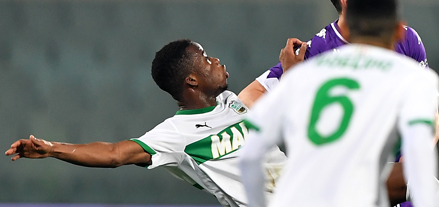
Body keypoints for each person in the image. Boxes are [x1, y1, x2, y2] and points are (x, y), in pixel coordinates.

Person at [6, 40, 284, 207]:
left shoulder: (232, 102)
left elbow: (275, 81)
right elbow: (115, 154)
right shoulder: (176, 134)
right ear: (192, 80)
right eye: (206, 59)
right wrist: (53, 149)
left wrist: (296, 60)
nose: (216, 60)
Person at [239, 0, 439, 207]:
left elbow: (249, 157)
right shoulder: (415, 78)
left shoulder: (302, 73)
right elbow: (418, 163)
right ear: (399, 31)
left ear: (345, 31)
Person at [238, 0, 428, 108]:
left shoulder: (407, 38)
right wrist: (290, 80)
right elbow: (248, 97)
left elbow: (428, 110)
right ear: (348, 2)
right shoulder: (316, 51)